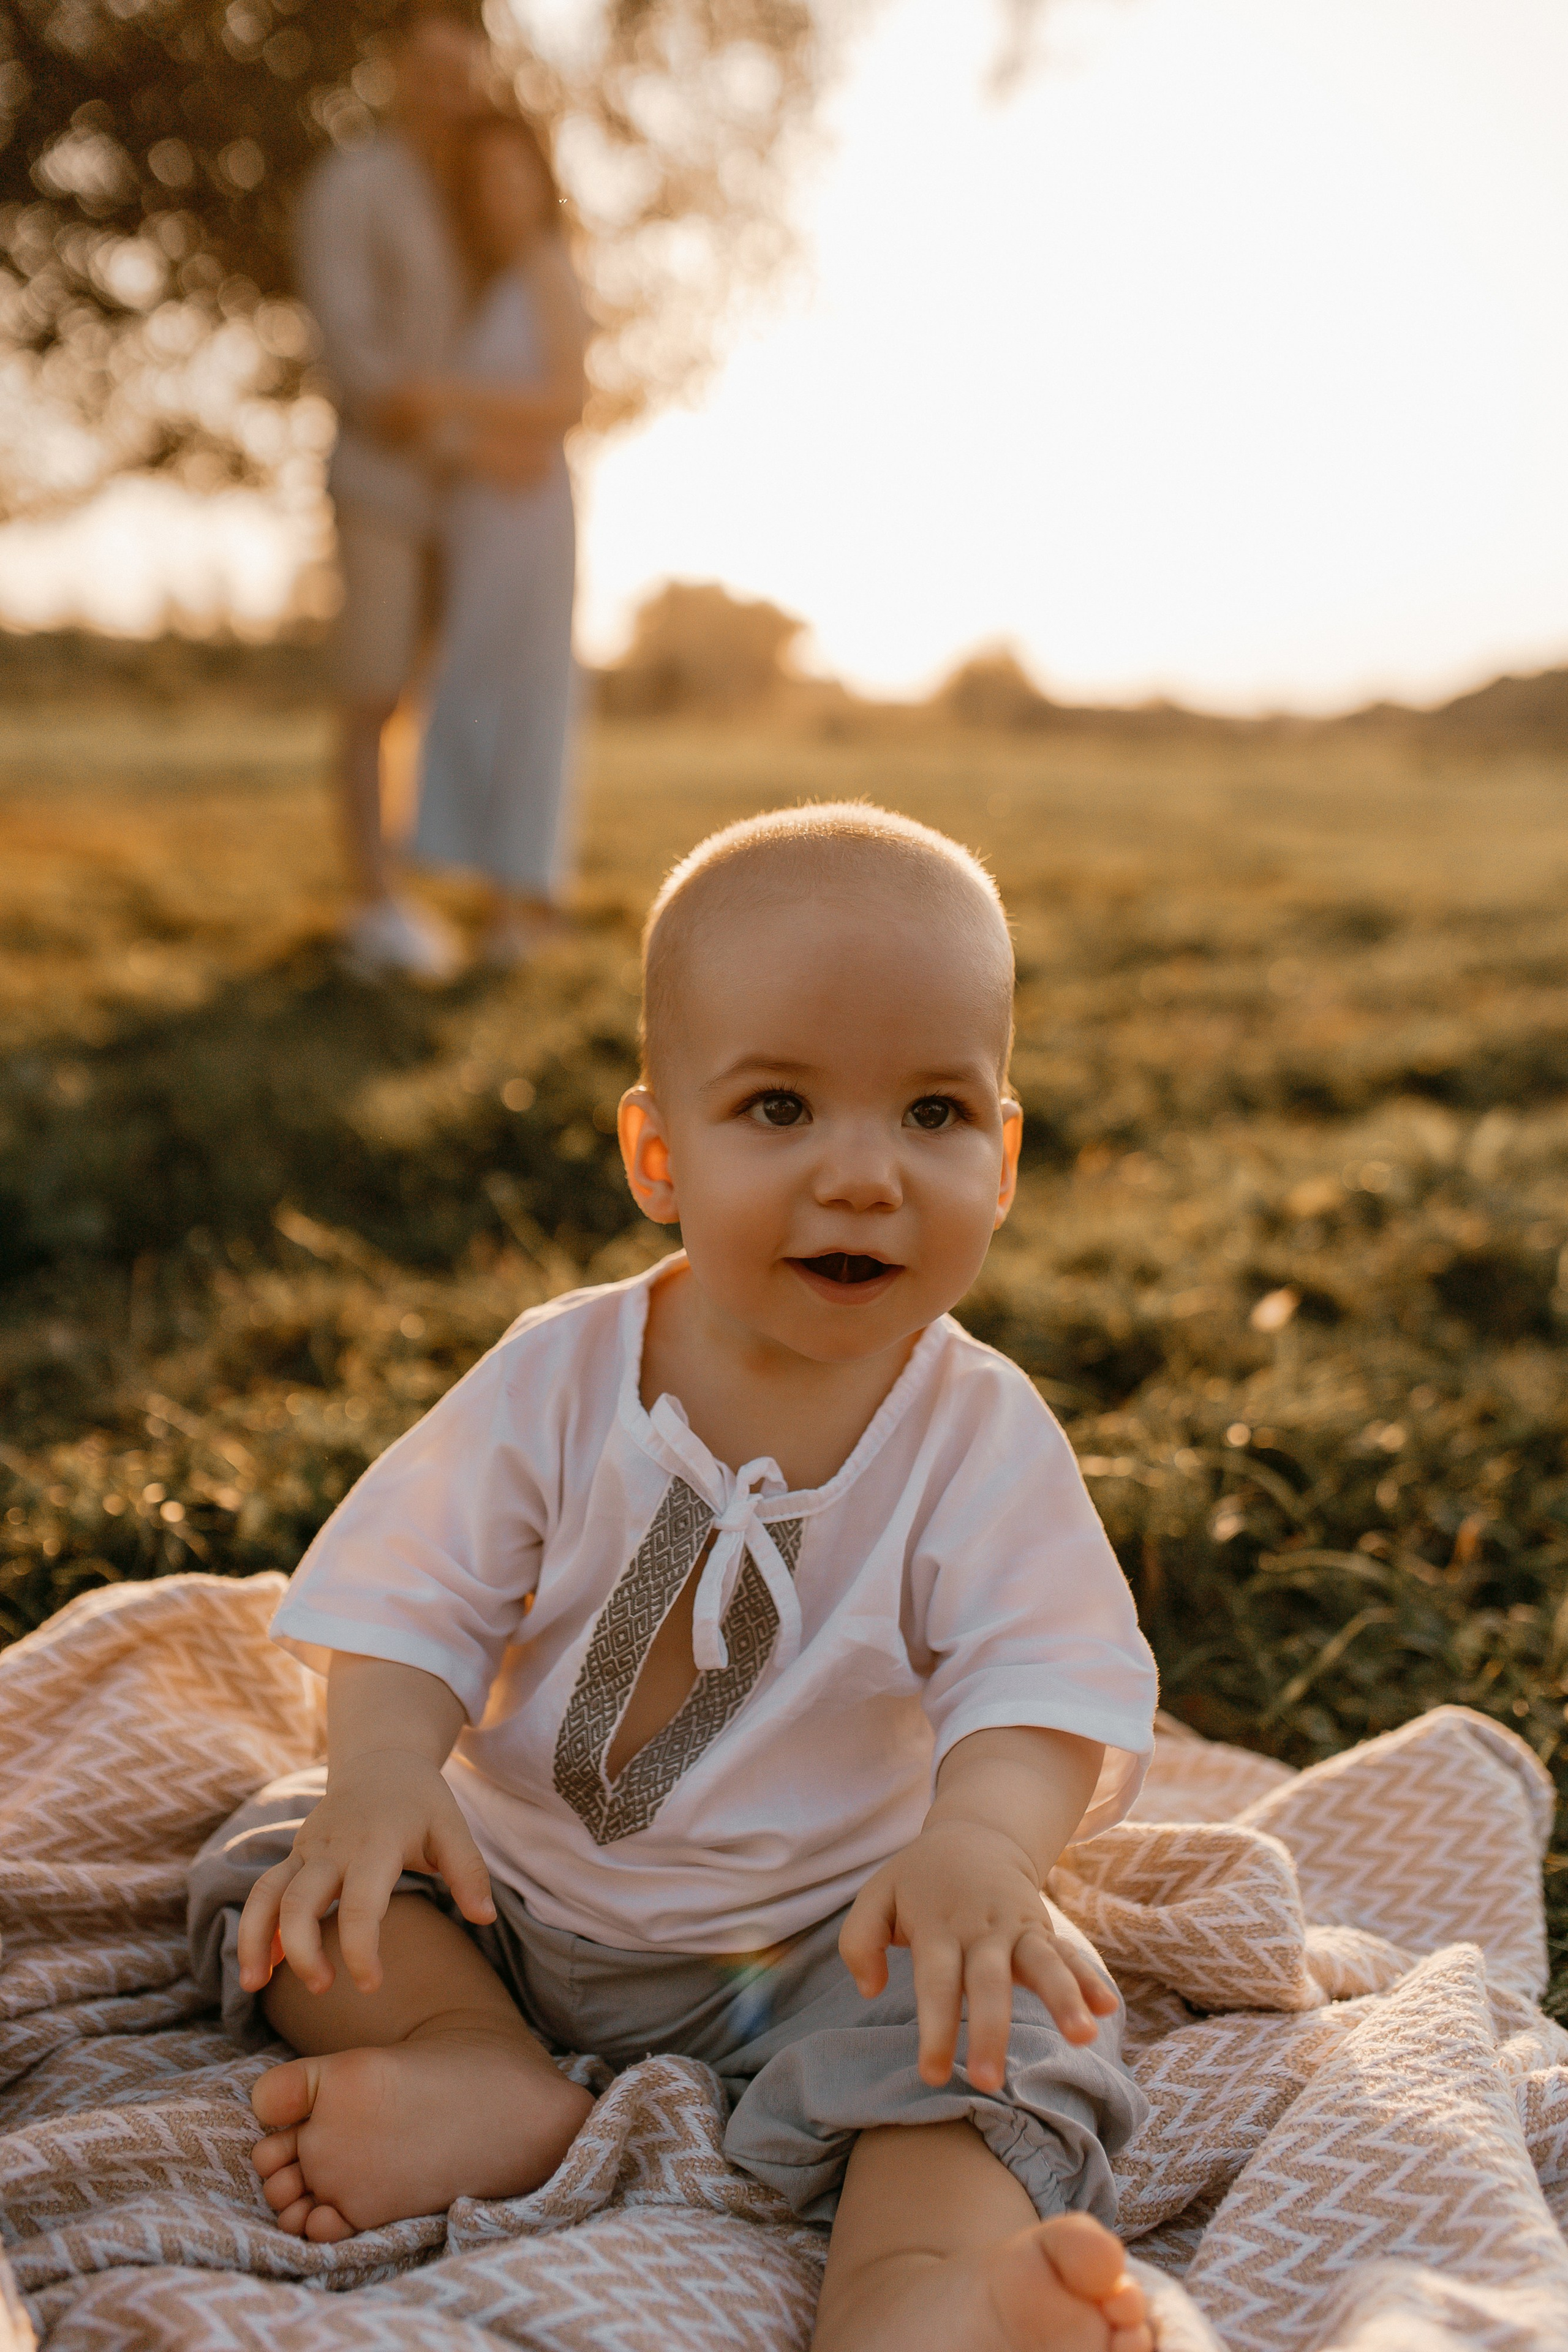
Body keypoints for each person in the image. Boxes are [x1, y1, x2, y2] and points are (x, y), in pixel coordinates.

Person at [189, 804, 1159, 2352]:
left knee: (1001, 2034)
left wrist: (981, 1843)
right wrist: (382, 1770)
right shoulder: (559, 1379)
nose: (863, 1176)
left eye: (932, 1113)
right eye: (779, 1108)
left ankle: (926, 2302)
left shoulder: (974, 1434)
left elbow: (1038, 1677)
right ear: (655, 1152)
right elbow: (410, 1595)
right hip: (506, 1895)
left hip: (820, 1945)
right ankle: (471, 2066)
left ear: (1006, 1154)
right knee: (287, 1857)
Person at [293, 1, 484, 982]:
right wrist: (452, 420)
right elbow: (353, 350)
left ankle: (400, 885)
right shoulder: (352, 184)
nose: (445, 91)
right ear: (395, 73)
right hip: (381, 482)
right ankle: (370, 901)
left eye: (463, 75)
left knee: (419, 695)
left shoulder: (474, 198)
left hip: (466, 497)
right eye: (429, 71)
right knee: (372, 690)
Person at [384, 111, 587, 967]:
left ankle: (519, 905)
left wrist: (449, 395)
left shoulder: (549, 272)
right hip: (481, 520)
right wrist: (464, 437)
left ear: (541, 184)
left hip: (530, 517)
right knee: (475, 687)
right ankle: (508, 898)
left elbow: (568, 401)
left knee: (527, 695)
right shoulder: (491, 284)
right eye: (484, 183)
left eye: (515, 177)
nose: (501, 197)